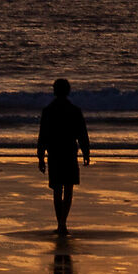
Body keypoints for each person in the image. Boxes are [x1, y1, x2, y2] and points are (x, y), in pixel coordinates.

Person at [36, 77, 91, 231]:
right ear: (68, 91)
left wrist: (41, 157)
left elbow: (43, 136)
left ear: (54, 91)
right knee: (68, 188)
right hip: (69, 153)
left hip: (54, 153)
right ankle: (62, 222)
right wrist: (86, 153)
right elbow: (82, 134)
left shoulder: (48, 111)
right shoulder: (75, 110)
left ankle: (60, 223)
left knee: (57, 189)